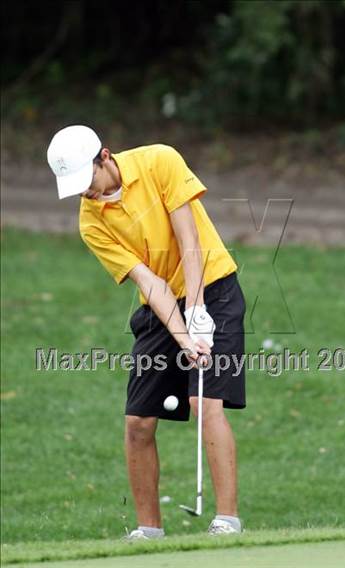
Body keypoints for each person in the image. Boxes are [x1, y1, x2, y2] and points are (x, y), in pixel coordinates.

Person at [47, 125, 246, 538]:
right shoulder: (91, 222)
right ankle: (149, 532)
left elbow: (189, 239)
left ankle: (227, 520)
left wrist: (196, 310)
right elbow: (149, 283)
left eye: (88, 181)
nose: (87, 193)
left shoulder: (159, 160)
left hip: (215, 288)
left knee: (203, 401)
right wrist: (183, 335)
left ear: (105, 156)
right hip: (159, 306)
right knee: (137, 421)